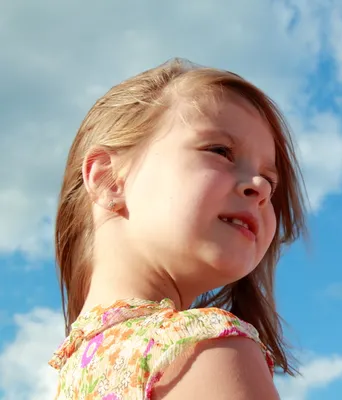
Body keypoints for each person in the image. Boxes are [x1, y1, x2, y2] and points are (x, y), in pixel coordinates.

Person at [48, 58, 307, 399]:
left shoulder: (75, 378)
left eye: (271, 181)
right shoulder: (203, 347)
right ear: (109, 180)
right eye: (220, 151)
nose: (259, 185)